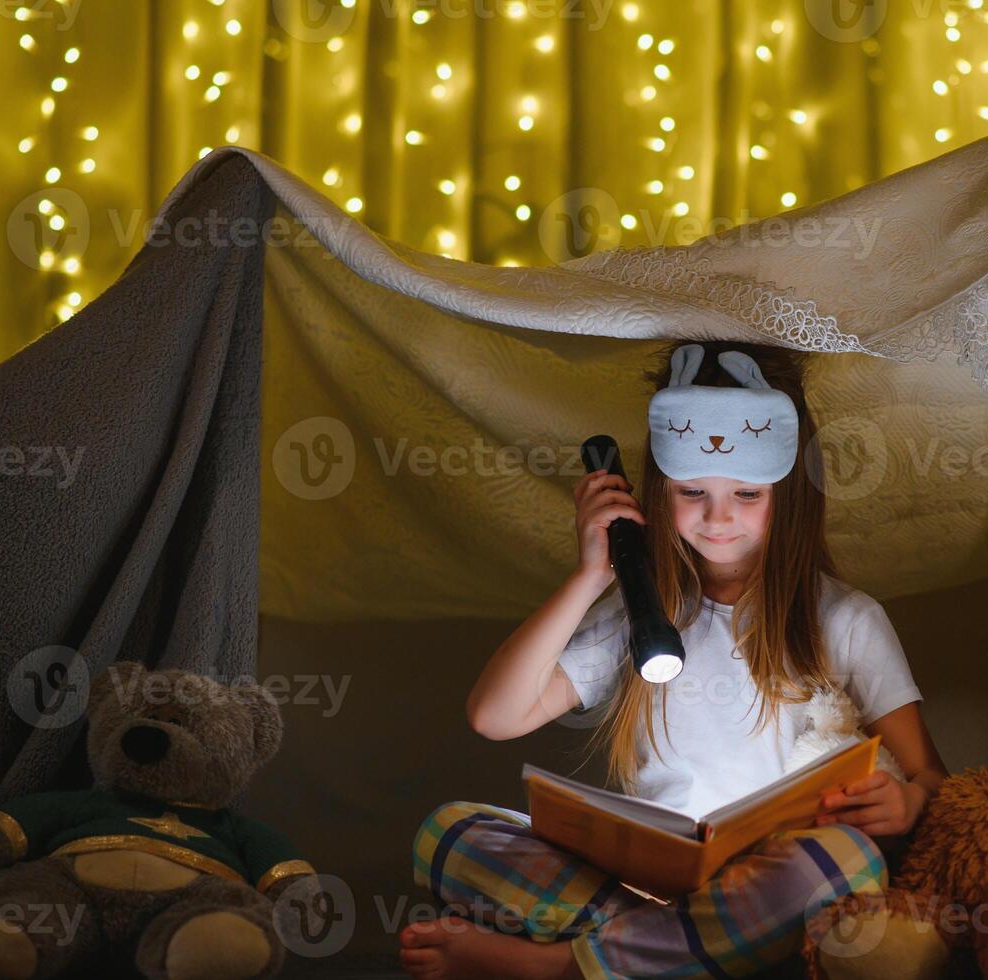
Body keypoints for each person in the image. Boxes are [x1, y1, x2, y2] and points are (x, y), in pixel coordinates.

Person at [401, 340, 949, 980]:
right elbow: (495, 716)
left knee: (846, 864)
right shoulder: (642, 613)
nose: (719, 519)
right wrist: (590, 575)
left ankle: (557, 969)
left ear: (791, 491)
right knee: (450, 833)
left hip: (778, 886)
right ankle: (673, 954)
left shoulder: (847, 620)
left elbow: (931, 779)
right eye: (693, 491)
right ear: (659, 491)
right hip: (651, 891)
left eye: (747, 493)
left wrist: (907, 805)